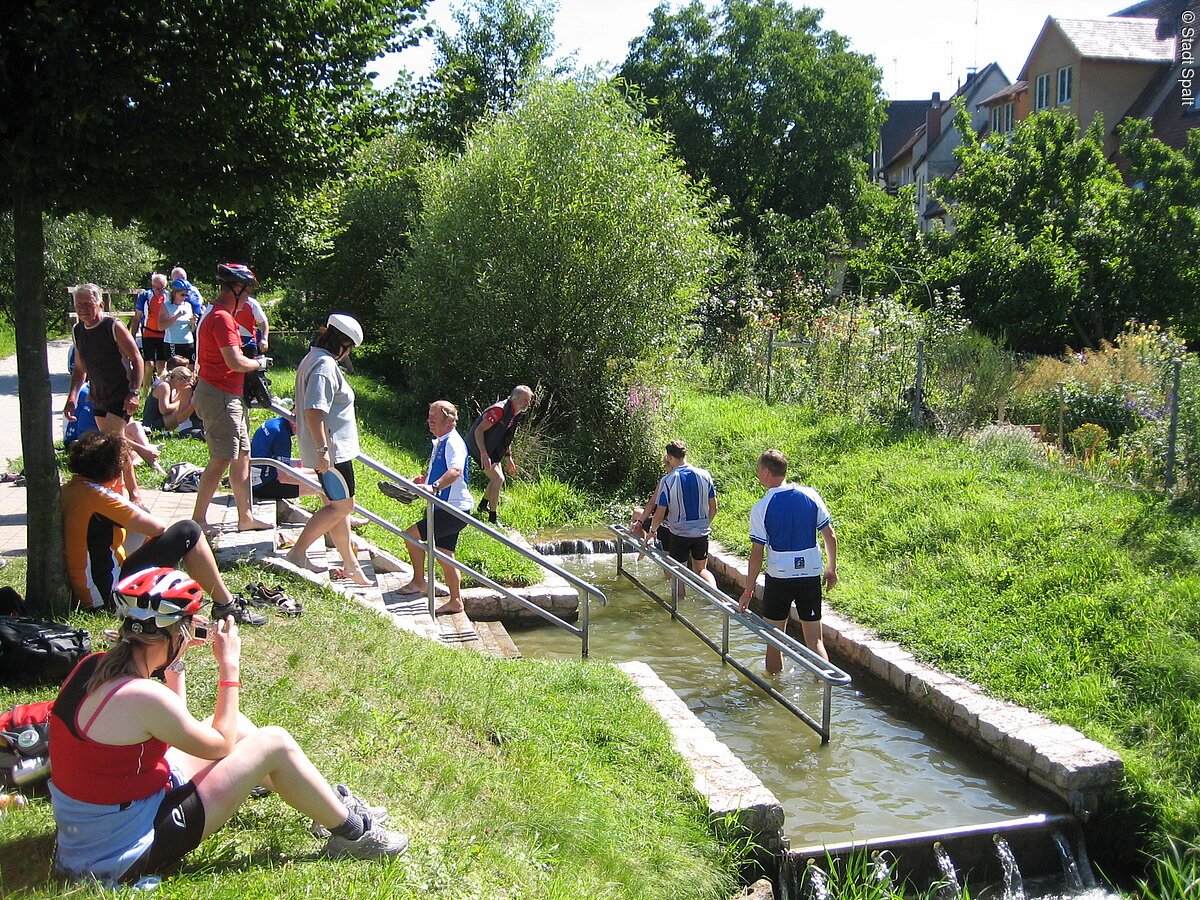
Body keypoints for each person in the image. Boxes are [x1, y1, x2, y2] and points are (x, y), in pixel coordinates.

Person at [47, 567, 408, 886]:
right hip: (121, 854)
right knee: (273, 742)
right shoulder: (143, 697)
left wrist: (175, 667)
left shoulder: (94, 666)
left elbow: (176, 728)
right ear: (179, 632)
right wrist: (229, 665)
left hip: (95, 832)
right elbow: (217, 746)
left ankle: (326, 804)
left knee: (243, 729)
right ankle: (354, 835)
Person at [60, 431, 262, 624]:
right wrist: (120, 490)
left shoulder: (69, 490)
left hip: (86, 594)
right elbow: (156, 527)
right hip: (107, 598)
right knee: (188, 531)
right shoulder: (100, 496)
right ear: (114, 469)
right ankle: (225, 604)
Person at [282, 315, 370, 585]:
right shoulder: (324, 365)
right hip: (333, 452)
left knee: (335, 506)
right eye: (350, 348)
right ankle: (297, 552)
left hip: (330, 450)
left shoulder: (313, 358)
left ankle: (351, 564)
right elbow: (314, 409)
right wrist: (322, 449)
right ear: (342, 344)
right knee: (344, 506)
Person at [190, 264, 272, 537]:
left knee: (243, 456)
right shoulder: (222, 318)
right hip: (219, 395)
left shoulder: (214, 314)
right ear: (236, 289)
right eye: (247, 292)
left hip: (226, 395)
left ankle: (245, 517)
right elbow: (235, 361)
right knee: (222, 458)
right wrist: (258, 363)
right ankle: (198, 520)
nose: (248, 299)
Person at [738, 449, 838, 671]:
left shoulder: (761, 507)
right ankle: (824, 688)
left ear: (765, 472)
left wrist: (748, 591)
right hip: (810, 575)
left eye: (758, 470)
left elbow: (757, 554)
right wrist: (831, 569)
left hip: (779, 578)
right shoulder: (811, 495)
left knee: (775, 641)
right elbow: (830, 535)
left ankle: (774, 694)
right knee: (815, 641)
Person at [64, 283, 146, 506]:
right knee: (116, 444)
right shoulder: (78, 331)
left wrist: (134, 392)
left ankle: (132, 494)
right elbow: (79, 369)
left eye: (87, 303)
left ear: (100, 304)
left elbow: (136, 358)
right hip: (98, 395)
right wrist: (72, 397)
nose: (82, 308)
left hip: (120, 393)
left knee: (113, 442)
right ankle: (121, 489)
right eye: (78, 304)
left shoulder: (113, 326)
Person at [394, 401, 473, 614]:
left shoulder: (453, 442)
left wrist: (434, 486)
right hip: (448, 508)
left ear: (448, 420)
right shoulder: (442, 441)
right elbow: (444, 470)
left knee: (411, 536)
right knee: (445, 555)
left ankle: (419, 582)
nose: (429, 421)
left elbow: (455, 471)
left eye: (433, 417)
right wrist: (424, 480)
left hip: (453, 510)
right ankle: (456, 601)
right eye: (429, 416)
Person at [646, 441, 718, 588]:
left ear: (670, 457)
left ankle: (679, 606)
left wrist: (652, 532)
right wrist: (704, 524)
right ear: (685, 455)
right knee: (701, 570)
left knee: (679, 573)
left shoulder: (668, 480)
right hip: (702, 532)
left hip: (679, 534)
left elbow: (659, 514)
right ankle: (718, 597)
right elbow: (714, 508)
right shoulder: (705, 475)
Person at [465, 385, 532, 524]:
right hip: (477, 446)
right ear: (516, 398)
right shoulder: (499, 411)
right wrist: (483, 453)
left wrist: (509, 458)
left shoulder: (515, 412)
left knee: (497, 478)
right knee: (498, 479)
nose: (528, 403)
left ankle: (483, 505)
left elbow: (506, 437)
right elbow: (478, 431)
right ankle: (492, 518)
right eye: (526, 400)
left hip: (492, 448)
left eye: (529, 400)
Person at [144, 366, 203, 438]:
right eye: (187, 381)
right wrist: (182, 403)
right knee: (179, 415)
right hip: (152, 422)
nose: (188, 384)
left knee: (181, 412)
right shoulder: (164, 386)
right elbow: (164, 410)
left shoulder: (173, 389)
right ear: (178, 379)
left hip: (162, 419)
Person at [162, 279, 196, 362]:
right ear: (174, 293)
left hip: (188, 342)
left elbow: (192, 329)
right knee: (175, 370)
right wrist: (176, 317)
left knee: (189, 369)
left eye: (186, 295)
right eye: (182, 295)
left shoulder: (188, 305)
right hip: (173, 343)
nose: (184, 297)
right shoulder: (166, 306)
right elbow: (161, 327)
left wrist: (193, 322)